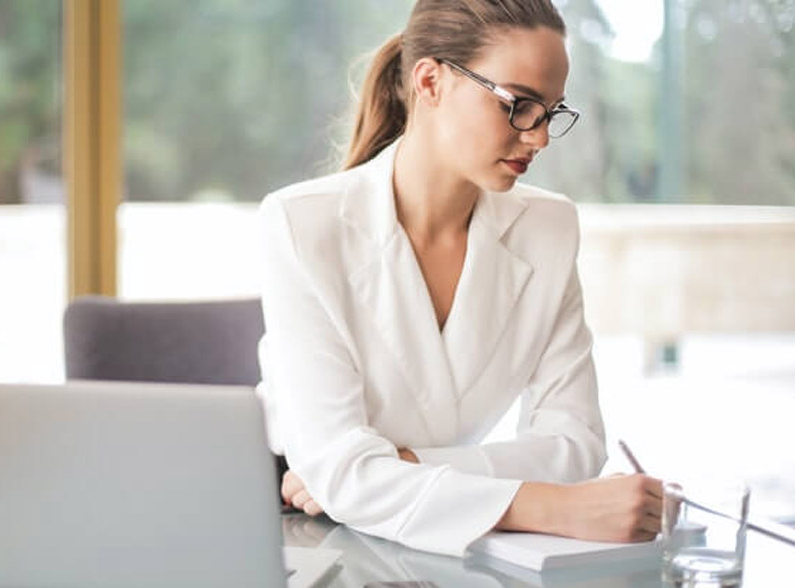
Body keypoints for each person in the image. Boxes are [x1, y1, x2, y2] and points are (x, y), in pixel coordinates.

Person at [255, 0, 663, 557]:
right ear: (430, 81)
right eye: (519, 105)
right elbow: (339, 473)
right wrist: (549, 506)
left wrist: (404, 467)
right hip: (297, 533)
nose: (539, 137)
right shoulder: (301, 224)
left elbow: (574, 444)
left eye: (551, 111)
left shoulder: (548, 227)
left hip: (426, 537)